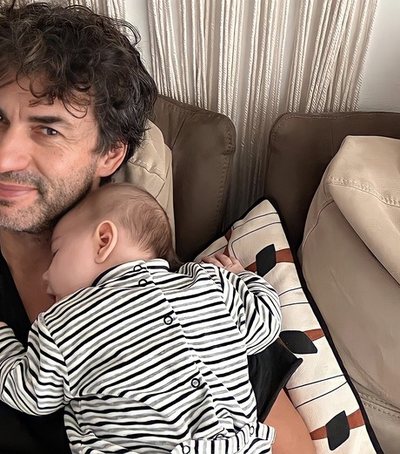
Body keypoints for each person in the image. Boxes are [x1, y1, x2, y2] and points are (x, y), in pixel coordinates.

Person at [0, 2, 314, 453]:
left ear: (110, 154)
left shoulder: (186, 294)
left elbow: (292, 444)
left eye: (48, 130)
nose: (4, 157)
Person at [0, 183, 282, 453]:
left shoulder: (65, 323)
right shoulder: (208, 284)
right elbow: (267, 323)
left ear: (104, 241)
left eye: (56, 253)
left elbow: (31, 393)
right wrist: (239, 277)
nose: (46, 276)